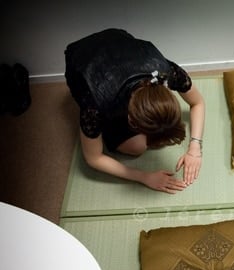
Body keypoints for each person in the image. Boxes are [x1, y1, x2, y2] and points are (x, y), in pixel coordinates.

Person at [64, 28, 206, 194]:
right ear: (130, 119)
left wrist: (195, 148)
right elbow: (93, 158)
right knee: (137, 147)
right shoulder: (94, 106)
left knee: (158, 136)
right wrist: (143, 176)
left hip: (117, 38)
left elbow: (198, 102)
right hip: (82, 61)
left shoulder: (166, 72)